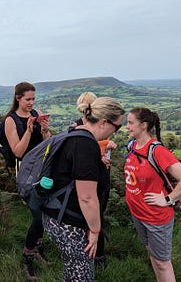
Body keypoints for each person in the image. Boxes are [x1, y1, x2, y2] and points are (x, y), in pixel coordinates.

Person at [42, 97, 125, 282]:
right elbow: (87, 197)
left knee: (72, 271)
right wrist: (95, 231)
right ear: (104, 122)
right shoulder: (86, 145)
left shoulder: (76, 132)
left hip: (56, 215)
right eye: (117, 127)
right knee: (82, 276)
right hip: (70, 223)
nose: (117, 131)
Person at [124, 107, 181, 282]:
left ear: (144, 125)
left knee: (163, 262)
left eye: (130, 123)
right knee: (153, 254)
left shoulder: (157, 151)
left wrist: (167, 199)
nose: (126, 127)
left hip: (155, 217)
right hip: (138, 213)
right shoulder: (132, 146)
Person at [4, 82, 50, 281]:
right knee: (38, 216)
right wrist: (29, 131)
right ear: (18, 98)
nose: (32, 103)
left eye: (33, 98)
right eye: (28, 99)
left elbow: (47, 143)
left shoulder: (36, 113)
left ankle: (37, 248)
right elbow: (17, 151)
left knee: (45, 213)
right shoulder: (11, 121)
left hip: (42, 169)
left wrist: (45, 130)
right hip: (25, 172)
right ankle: (28, 257)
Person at [72, 91, 116, 266]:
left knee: (89, 214)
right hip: (98, 176)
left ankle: (90, 254)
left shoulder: (76, 126)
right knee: (96, 214)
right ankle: (97, 256)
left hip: (90, 177)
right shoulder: (94, 126)